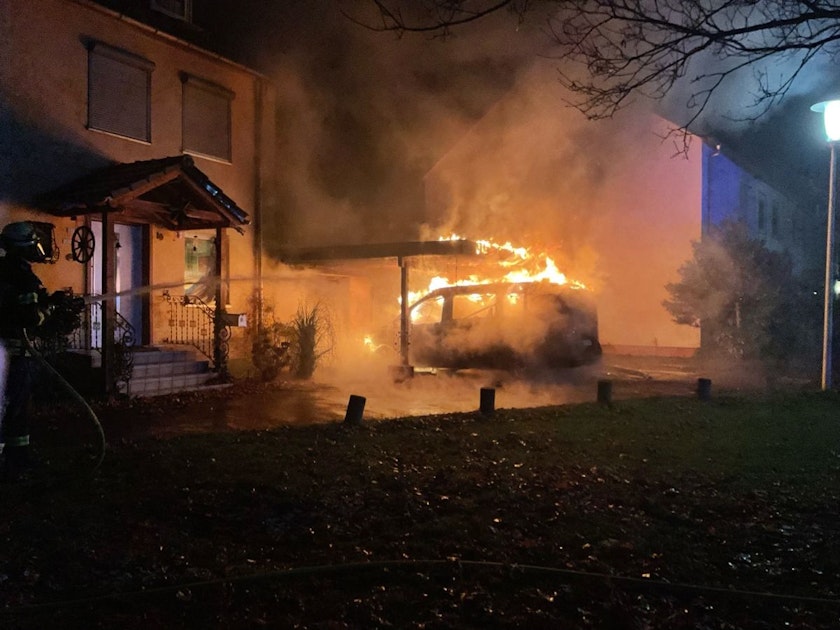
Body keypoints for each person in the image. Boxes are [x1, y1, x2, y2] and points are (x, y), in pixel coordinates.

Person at [0, 221, 53, 479]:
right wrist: (47, 312)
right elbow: (30, 318)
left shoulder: (3, 270)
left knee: (4, 407)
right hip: (17, 353)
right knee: (17, 409)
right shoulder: (24, 276)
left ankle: (11, 460)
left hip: (3, 352)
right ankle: (17, 462)